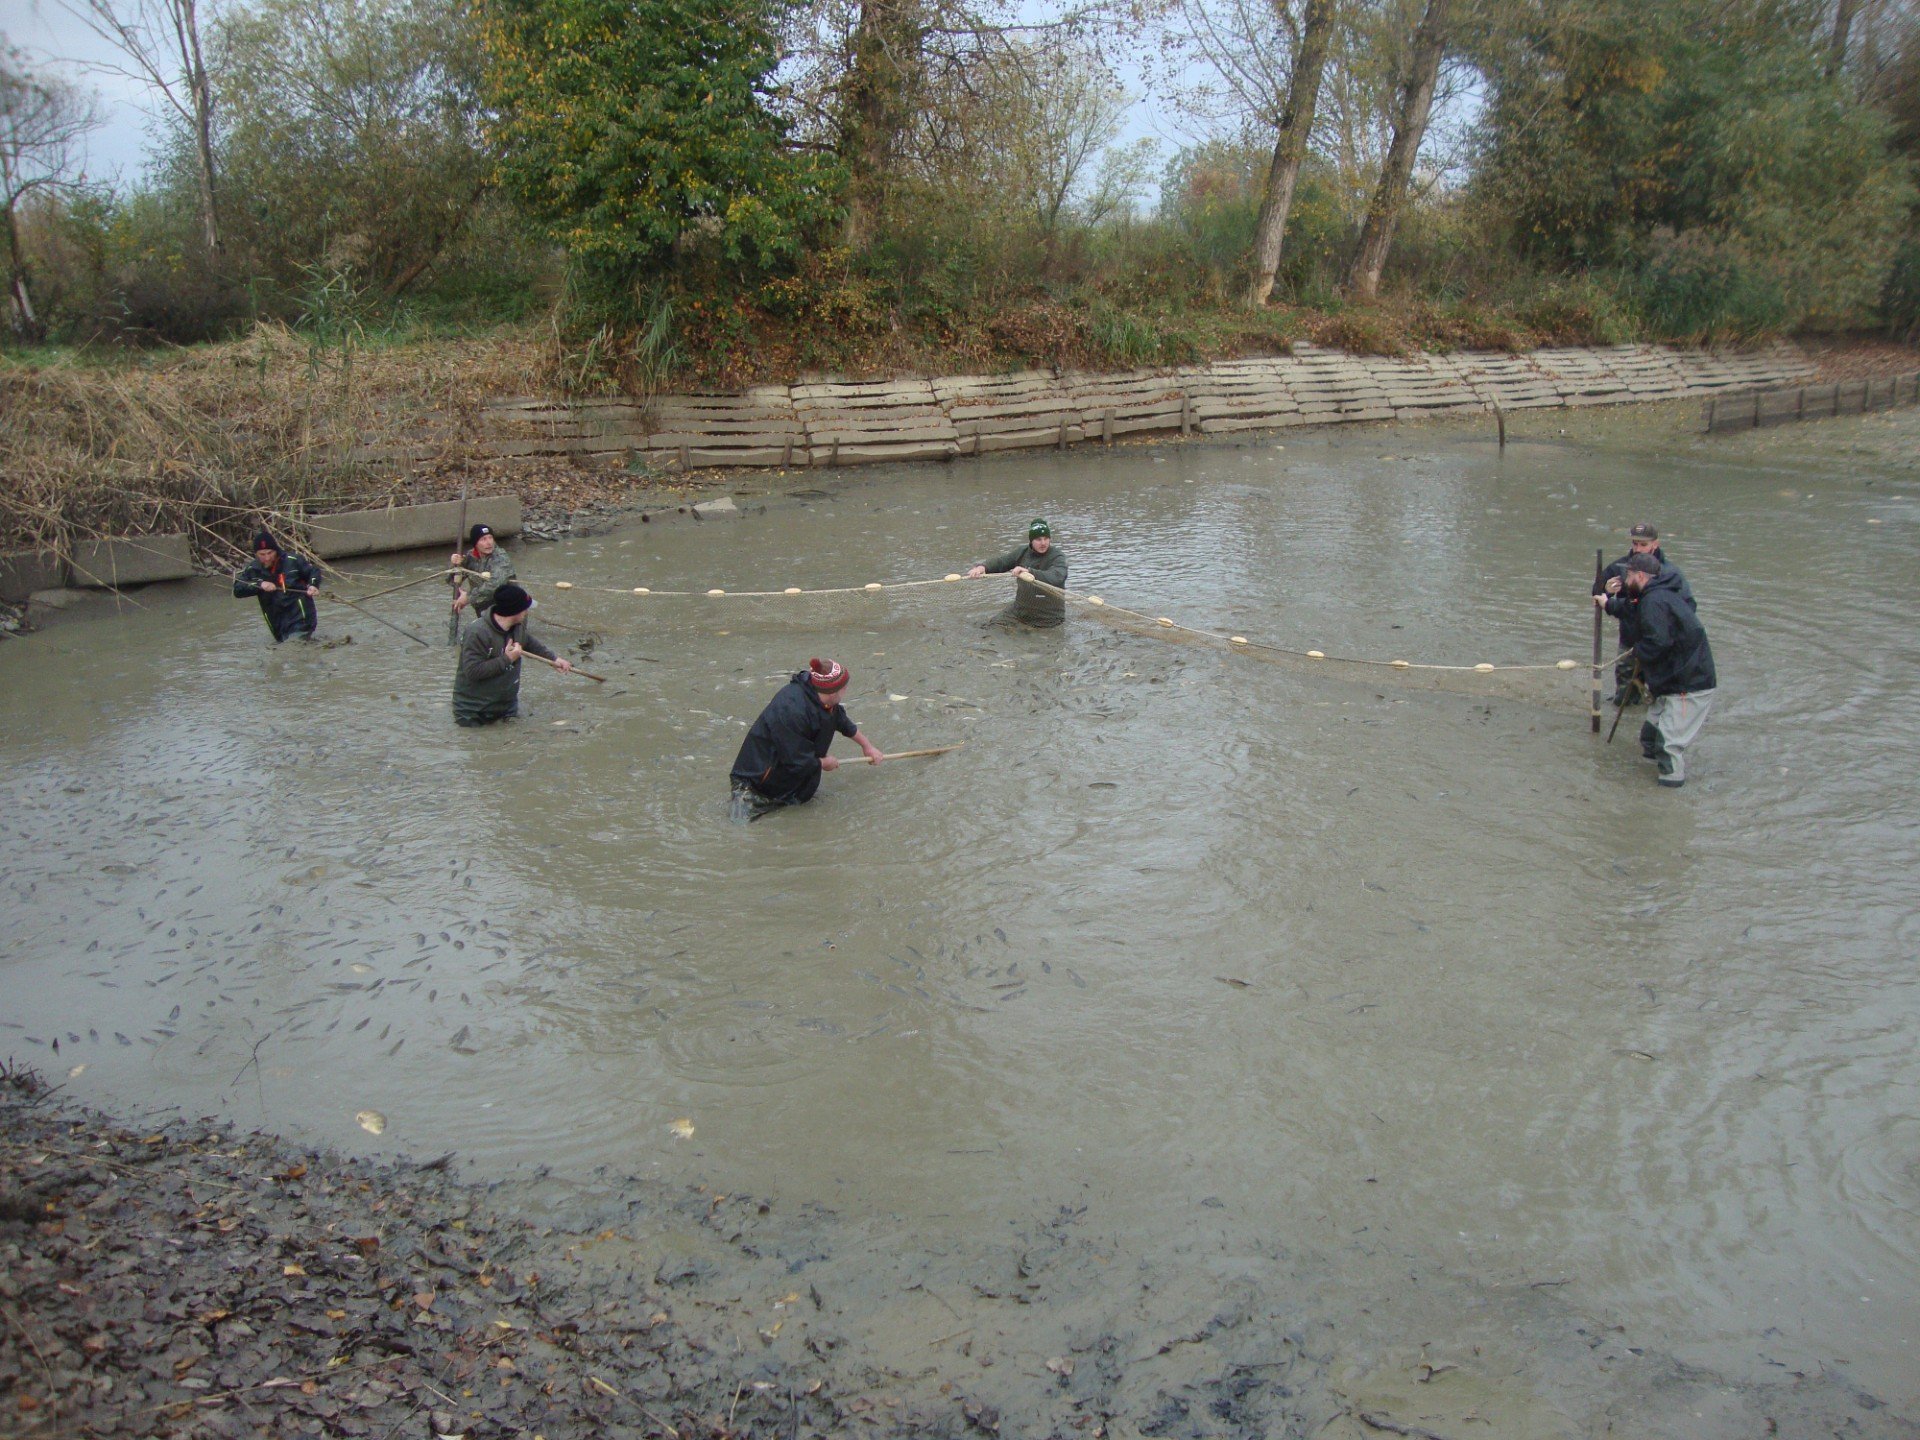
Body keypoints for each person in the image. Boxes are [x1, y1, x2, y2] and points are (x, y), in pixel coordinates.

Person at [729, 658, 884, 820]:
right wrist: (824, 763)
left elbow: (840, 720)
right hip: (757, 783)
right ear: (834, 691)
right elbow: (794, 758)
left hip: (790, 780)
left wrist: (867, 746)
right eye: (844, 687)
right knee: (742, 824)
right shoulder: (791, 710)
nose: (846, 690)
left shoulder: (824, 699)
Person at [1613, 552, 1716, 788]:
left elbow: (1658, 642)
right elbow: (1634, 612)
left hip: (1688, 685)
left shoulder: (1654, 602)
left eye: (1628, 575)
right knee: (1650, 736)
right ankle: (1649, 782)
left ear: (1639, 576)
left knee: (1668, 746)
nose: (1626, 580)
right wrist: (1609, 603)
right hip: (1672, 682)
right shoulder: (1659, 595)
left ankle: (1668, 799)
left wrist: (1638, 652)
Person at [1593, 522, 1692, 704]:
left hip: (1662, 646)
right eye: (1635, 544)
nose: (1638, 549)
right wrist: (1606, 590)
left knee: (1664, 700)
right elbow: (1597, 596)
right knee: (1624, 700)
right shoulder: (1619, 567)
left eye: (1643, 545)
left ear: (1656, 544)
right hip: (1630, 644)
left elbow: (1688, 608)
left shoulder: (1671, 573)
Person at [452, 582, 571, 727]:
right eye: (525, 608)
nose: (527, 611)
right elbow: (473, 671)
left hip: (506, 706)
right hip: (474, 711)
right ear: (515, 611)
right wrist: (508, 659)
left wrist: (553, 659)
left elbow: (529, 642)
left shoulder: (517, 627)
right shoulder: (476, 632)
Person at [967, 518, 1068, 627]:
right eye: (1038, 539)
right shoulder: (1022, 551)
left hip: (1048, 616)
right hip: (1020, 610)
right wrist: (982, 568)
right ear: (1031, 540)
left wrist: (1029, 572)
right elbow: (1001, 562)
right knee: (990, 627)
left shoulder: (1058, 556)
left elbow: (1058, 576)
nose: (1043, 543)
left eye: (1046, 538)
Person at [233, 530, 320, 642]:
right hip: (277, 625)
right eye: (262, 554)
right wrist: (260, 584)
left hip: (301, 619)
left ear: (276, 550)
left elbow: (314, 571)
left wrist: (313, 585)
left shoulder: (293, 561)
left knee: (295, 645)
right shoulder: (252, 569)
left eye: (270, 553)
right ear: (256, 554)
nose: (267, 558)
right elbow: (238, 589)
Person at [451, 523, 516, 623]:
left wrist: (468, 597)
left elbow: (494, 585)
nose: (489, 542)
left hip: (508, 609)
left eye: (490, 538)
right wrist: (455, 565)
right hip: (483, 609)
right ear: (476, 543)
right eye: (483, 539)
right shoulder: (470, 557)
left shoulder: (501, 558)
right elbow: (452, 580)